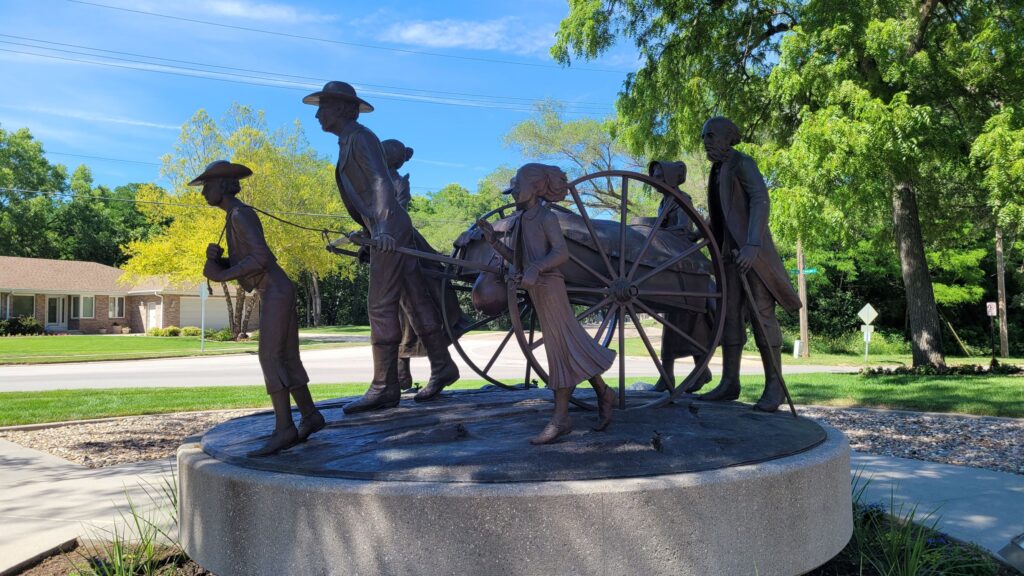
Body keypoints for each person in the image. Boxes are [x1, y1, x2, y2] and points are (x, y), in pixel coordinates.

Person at [303, 81, 459, 413]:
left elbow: (379, 181)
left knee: (380, 306)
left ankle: (384, 386)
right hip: (387, 229)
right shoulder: (348, 142)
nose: (317, 114)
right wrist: (369, 231)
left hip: (391, 229)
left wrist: (384, 229)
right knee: (415, 301)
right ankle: (443, 366)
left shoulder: (360, 137)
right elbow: (368, 195)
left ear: (343, 110)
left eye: (324, 107)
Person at [477, 163, 616, 444]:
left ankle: (561, 418)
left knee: (559, 350)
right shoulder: (519, 221)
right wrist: (494, 241)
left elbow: (561, 253)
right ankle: (603, 392)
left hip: (550, 288)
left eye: (517, 185)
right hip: (536, 291)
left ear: (537, 187)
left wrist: (537, 268)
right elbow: (517, 259)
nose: (513, 190)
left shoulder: (545, 217)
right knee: (570, 345)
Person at [197, 160, 325, 456]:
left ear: (222, 185)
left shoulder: (240, 215)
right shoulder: (233, 216)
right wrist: (221, 262)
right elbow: (249, 263)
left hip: (275, 290)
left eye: (207, 186)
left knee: (270, 357)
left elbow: (262, 259)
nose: (203, 193)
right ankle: (310, 416)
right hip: (276, 289)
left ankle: (284, 429)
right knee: (287, 357)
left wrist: (220, 274)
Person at [696, 117, 801, 412]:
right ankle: (730, 382)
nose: (705, 141)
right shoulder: (718, 169)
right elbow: (721, 214)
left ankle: (775, 388)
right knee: (729, 317)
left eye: (711, 136)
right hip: (728, 257)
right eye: (704, 136)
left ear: (728, 137)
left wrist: (753, 244)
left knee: (761, 316)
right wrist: (698, 232)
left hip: (751, 255)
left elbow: (760, 198)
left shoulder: (743, 163)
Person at [647, 160, 713, 394]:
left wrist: (656, 230)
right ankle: (671, 376)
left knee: (687, 320)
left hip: (682, 261)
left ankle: (696, 371)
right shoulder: (665, 201)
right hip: (670, 260)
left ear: (670, 178)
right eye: (653, 176)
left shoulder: (680, 199)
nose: (654, 181)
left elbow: (684, 230)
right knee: (673, 323)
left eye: (658, 176)